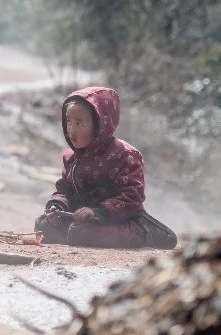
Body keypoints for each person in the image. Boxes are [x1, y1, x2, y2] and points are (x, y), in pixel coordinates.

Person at [34, 86, 177, 249]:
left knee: (81, 233)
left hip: (120, 220)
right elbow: (64, 190)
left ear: (101, 124)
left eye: (79, 123)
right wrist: (57, 206)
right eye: (68, 121)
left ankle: (144, 234)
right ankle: (79, 232)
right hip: (80, 218)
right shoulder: (71, 156)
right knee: (44, 225)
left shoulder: (125, 155)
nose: (71, 130)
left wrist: (97, 213)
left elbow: (132, 197)